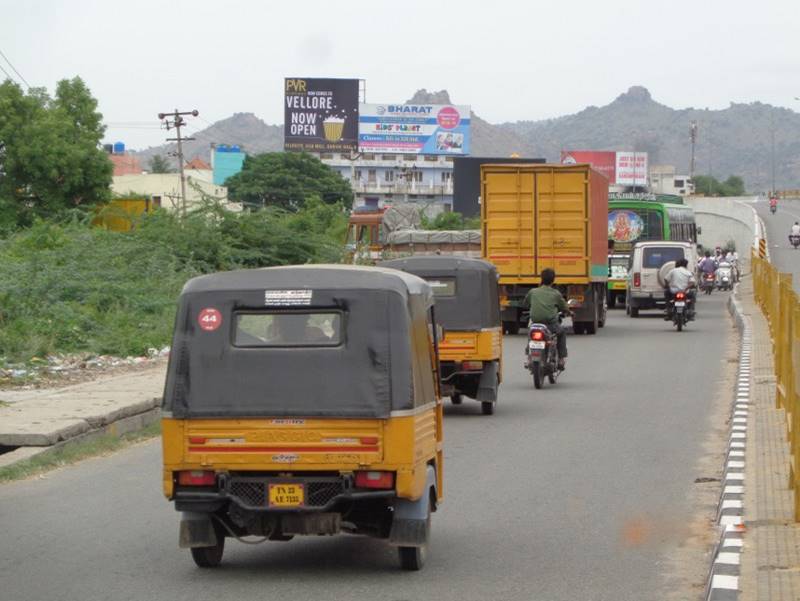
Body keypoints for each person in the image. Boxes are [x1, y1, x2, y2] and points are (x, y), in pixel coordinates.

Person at [523, 268, 570, 369]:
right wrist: (569, 312)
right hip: (550, 325)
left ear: (541, 279)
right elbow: (564, 307)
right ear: (553, 280)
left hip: (536, 323)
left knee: (530, 334)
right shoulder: (556, 293)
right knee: (561, 333)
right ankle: (561, 359)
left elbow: (525, 303)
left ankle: (528, 357)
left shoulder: (533, 292)